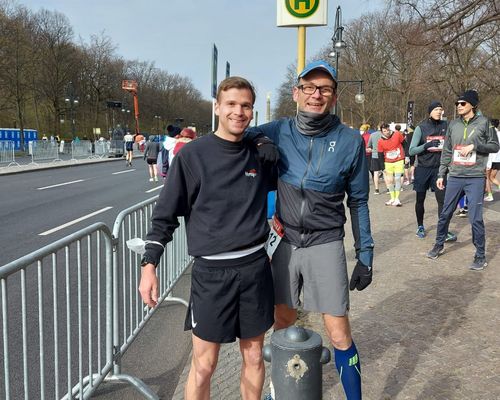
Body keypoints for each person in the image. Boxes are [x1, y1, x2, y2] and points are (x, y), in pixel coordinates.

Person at [139, 76, 276, 400]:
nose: (238, 112)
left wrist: (261, 140)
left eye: (245, 106)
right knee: (204, 365)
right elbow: (165, 215)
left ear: (252, 111)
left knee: (255, 356)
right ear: (217, 107)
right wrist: (149, 265)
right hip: (211, 275)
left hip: (255, 269)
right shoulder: (193, 156)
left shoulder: (260, 155)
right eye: (231, 104)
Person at [247, 60, 374, 400]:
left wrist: (366, 255)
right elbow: (238, 132)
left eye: (325, 89)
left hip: (325, 241)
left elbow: (359, 200)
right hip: (285, 242)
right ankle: (281, 390)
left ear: (333, 96)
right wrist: (259, 142)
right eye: (310, 88)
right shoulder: (278, 130)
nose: (317, 95)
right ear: (297, 92)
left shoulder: (349, 140)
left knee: (338, 333)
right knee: (283, 323)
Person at [426, 90, 499, 270]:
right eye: (457, 103)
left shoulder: (484, 123)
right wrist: (441, 174)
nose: (459, 106)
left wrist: (475, 146)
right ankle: (438, 245)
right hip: (456, 176)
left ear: (472, 105)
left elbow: (495, 145)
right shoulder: (453, 124)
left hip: (474, 177)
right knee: (445, 213)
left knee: (475, 218)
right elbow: (447, 151)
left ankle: (480, 255)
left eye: (463, 103)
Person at [409, 101, 457, 242]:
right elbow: (412, 150)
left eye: (440, 109)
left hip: (439, 170)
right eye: (436, 109)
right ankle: (420, 226)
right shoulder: (421, 128)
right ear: (430, 112)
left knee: (442, 201)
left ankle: (444, 231)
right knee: (420, 199)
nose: (438, 111)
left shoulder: (446, 126)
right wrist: (426, 145)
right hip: (423, 169)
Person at [377, 123, 405, 206]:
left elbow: (405, 144)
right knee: (390, 181)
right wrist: (382, 167)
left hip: (399, 160)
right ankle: (392, 198)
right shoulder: (380, 141)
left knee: (397, 179)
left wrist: (407, 157)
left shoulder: (397, 135)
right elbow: (380, 155)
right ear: (381, 132)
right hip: (388, 162)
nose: (387, 132)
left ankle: (397, 198)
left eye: (388, 130)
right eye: (384, 131)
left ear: (390, 129)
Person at [484, 118, 500, 201]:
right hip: (498, 160)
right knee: (492, 177)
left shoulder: (490, 135)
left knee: (487, 177)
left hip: (491, 159)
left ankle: (490, 195)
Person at [367, 125, 384, 194]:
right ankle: (389, 188)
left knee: (375, 173)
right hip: (383, 155)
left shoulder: (372, 135)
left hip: (375, 155)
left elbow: (368, 146)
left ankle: (377, 189)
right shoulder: (385, 135)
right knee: (385, 172)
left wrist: (372, 149)